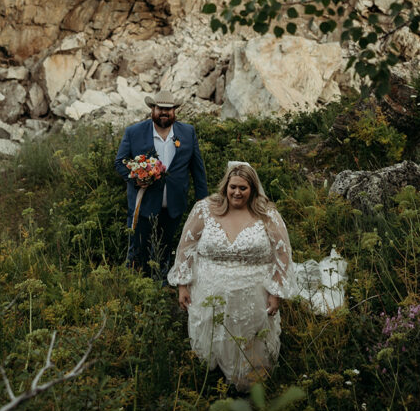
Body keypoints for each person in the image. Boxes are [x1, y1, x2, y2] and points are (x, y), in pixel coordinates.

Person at [167, 161, 296, 391]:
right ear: (225, 186)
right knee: (213, 343)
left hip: (253, 294)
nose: (237, 192)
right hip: (208, 290)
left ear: (252, 189)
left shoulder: (267, 214)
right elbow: (186, 246)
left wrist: (276, 292)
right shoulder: (205, 209)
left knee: (249, 345)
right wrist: (183, 285)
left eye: (243, 188)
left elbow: (282, 254)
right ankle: (210, 386)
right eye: (233, 187)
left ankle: (249, 391)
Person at [115, 90, 208, 279]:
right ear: (152, 109)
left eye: (168, 109)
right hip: (143, 204)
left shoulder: (188, 132)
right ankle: (134, 284)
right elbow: (120, 161)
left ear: (174, 111)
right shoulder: (134, 132)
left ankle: (162, 284)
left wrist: (202, 198)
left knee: (166, 247)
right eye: (160, 109)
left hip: (174, 203)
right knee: (138, 248)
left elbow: (197, 167)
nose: (164, 112)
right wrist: (135, 177)